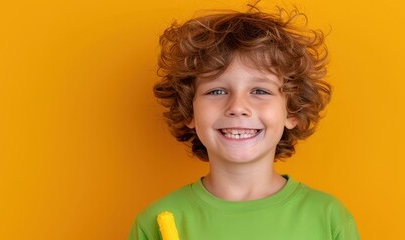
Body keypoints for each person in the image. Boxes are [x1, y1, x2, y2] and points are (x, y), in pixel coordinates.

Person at [128, 2, 359, 239]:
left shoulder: (328, 217)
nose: (238, 107)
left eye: (260, 91)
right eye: (217, 91)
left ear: (292, 112)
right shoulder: (155, 221)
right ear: (189, 111)